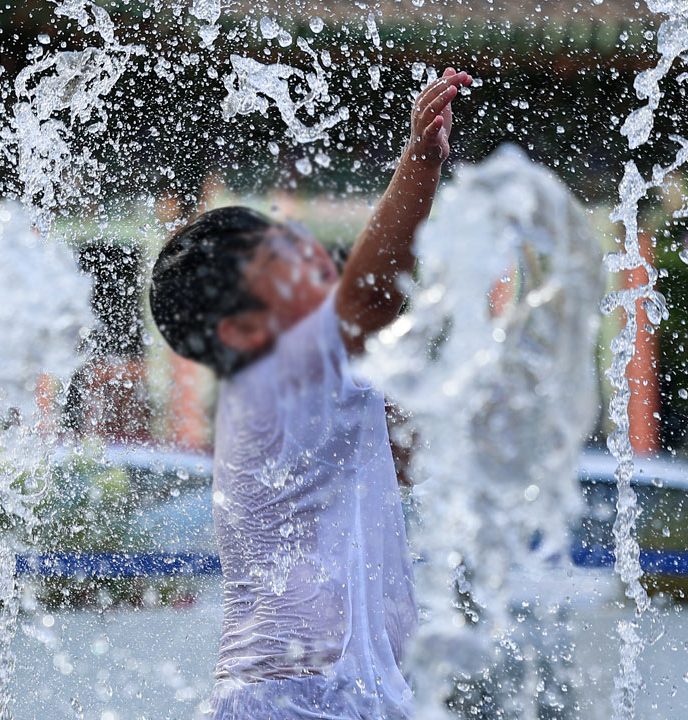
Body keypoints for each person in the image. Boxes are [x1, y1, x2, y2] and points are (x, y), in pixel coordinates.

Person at [148, 68, 473, 718]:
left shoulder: (297, 384)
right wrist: (419, 160)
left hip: (344, 698)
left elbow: (398, 468)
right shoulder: (276, 370)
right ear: (241, 328)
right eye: (284, 264)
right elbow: (372, 293)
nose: (315, 259)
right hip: (289, 702)